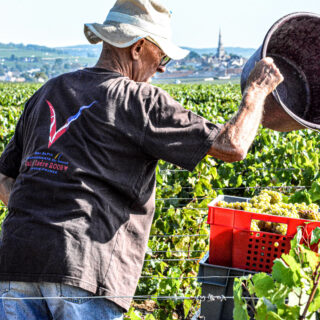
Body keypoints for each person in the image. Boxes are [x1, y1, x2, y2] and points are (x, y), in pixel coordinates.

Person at [0, 0, 283, 319]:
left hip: (14, 262)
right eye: (160, 55)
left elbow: (3, 178)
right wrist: (257, 91)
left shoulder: (48, 91)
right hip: (85, 270)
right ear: (137, 48)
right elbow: (232, 145)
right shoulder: (138, 100)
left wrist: (42, 215)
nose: (161, 67)